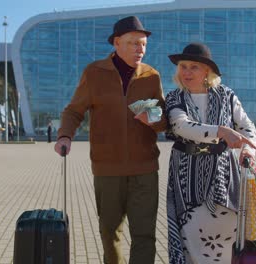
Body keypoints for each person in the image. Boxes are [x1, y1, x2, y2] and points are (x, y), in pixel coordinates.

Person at [54, 16, 167, 264]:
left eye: (144, 44)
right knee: (109, 234)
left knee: (145, 236)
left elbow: (163, 120)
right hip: (107, 171)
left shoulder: (151, 76)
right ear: (117, 43)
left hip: (145, 170)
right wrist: (65, 136)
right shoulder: (94, 73)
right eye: (134, 43)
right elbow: (74, 111)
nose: (141, 49)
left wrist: (154, 118)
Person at [164, 43, 256, 263]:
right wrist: (221, 131)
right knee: (191, 236)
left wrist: (248, 150)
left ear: (207, 70)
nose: (186, 72)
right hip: (187, 176)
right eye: (183, 66)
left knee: (226, 237)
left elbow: (247, 127)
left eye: (193, 67)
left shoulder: (226, 95)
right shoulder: (174, 97)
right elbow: (181, 126)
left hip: (224, 175)